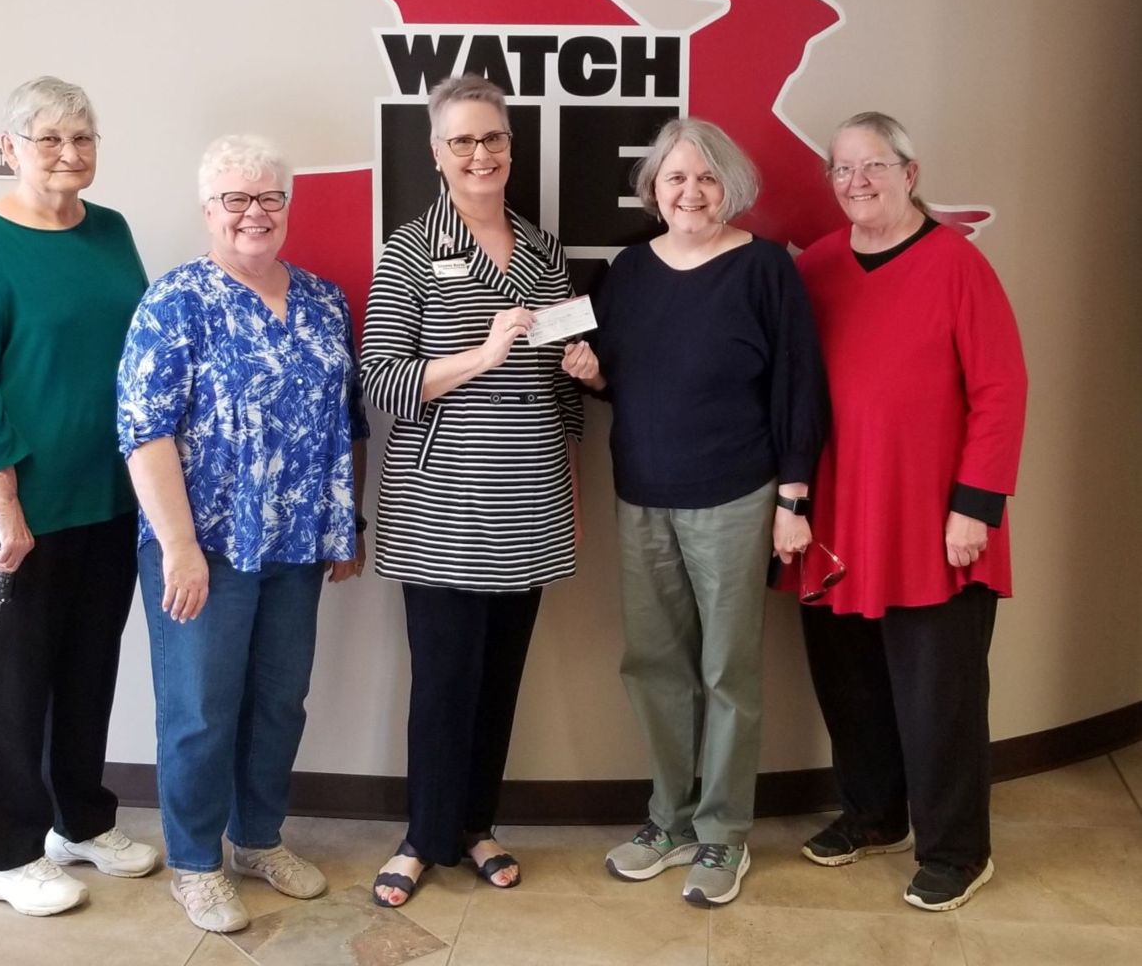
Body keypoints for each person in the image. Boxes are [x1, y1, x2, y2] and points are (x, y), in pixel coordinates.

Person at [561, 117, 828, 907]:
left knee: (726, 672)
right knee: (653, 667)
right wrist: (587, 373)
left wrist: (792, 497)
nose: (691, 192)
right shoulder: (628, 271)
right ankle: (667, 822)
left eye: (706, 178)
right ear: (653, 190)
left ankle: (723, 836)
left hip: (736, 495)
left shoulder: (765, 270)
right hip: (641, 493)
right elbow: (620, 377)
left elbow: (797, 389)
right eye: (675, 178)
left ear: (730, 187)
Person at [117, 134, 368, 933]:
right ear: (208, 210)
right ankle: (194, 864)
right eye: (236, 199)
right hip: (205, 548)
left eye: (269, 198)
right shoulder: (175, 300)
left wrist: (342, 522)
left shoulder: (325, 300)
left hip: (297, 545)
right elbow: (143, 432)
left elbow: (344, 422)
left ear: (286, 206)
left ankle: (256, 838)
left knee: (277, 702)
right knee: (198, 708)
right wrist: (180, 548)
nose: (254, 213)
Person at [791, 112, 1027, 912]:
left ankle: (957, 849)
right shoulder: (817, 267)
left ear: (909, 173)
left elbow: (1001, 390)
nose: (856, 183)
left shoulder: (958, 264)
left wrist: (975, 508)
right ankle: (871, 813)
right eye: (842, 170)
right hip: (837, 518)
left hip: (934, 522)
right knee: (848, 681)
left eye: (873, 167)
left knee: (940, 695)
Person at [0, 76, 156, 916]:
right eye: (51, 138)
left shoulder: (110, 230)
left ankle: (80, 822)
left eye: (84, 138)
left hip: (107, 494)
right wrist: (4, 509)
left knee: (89, 668)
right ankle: (2, 851)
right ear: (11, 149)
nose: (71, 154)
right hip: (16, 511)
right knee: (14, 683)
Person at [361, 74, 583, 907]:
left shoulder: (542, 250)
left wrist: (583, 373)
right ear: (436, 154)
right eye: (463, 141)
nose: (481, 154)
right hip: (441, 503)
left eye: (493, 139)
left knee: (498, 681)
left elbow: (561, 386)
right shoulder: (411, 249)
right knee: (444, 681)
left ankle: (475, 823)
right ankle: (423, 835)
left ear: (510, 149)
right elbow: (379, 381)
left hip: (528, 499)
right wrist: (481, 356)